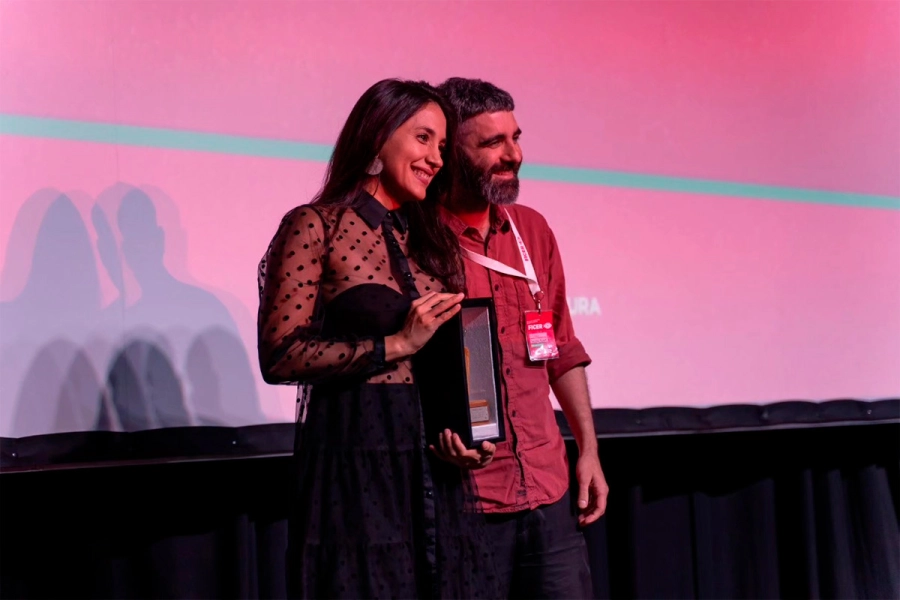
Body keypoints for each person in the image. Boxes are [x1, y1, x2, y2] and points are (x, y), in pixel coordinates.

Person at [257, 79, 499, 599]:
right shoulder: (315, 226)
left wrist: (465, 439)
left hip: (435, 474)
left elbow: (446, 363)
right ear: (377, 135)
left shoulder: (430, 241)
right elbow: (280, 354)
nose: (436, 158)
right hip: (357, 462)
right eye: (423, 138)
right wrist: (395, 345)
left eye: (441, 145)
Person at [436, 77, 610, 598]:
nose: (513, 155)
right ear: (450, 151)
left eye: (515, 138)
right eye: (492, 142)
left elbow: (561, 349)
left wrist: (589, 450)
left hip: (548, 491)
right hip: (467, 501)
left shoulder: (531, 230)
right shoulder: (419, 238)